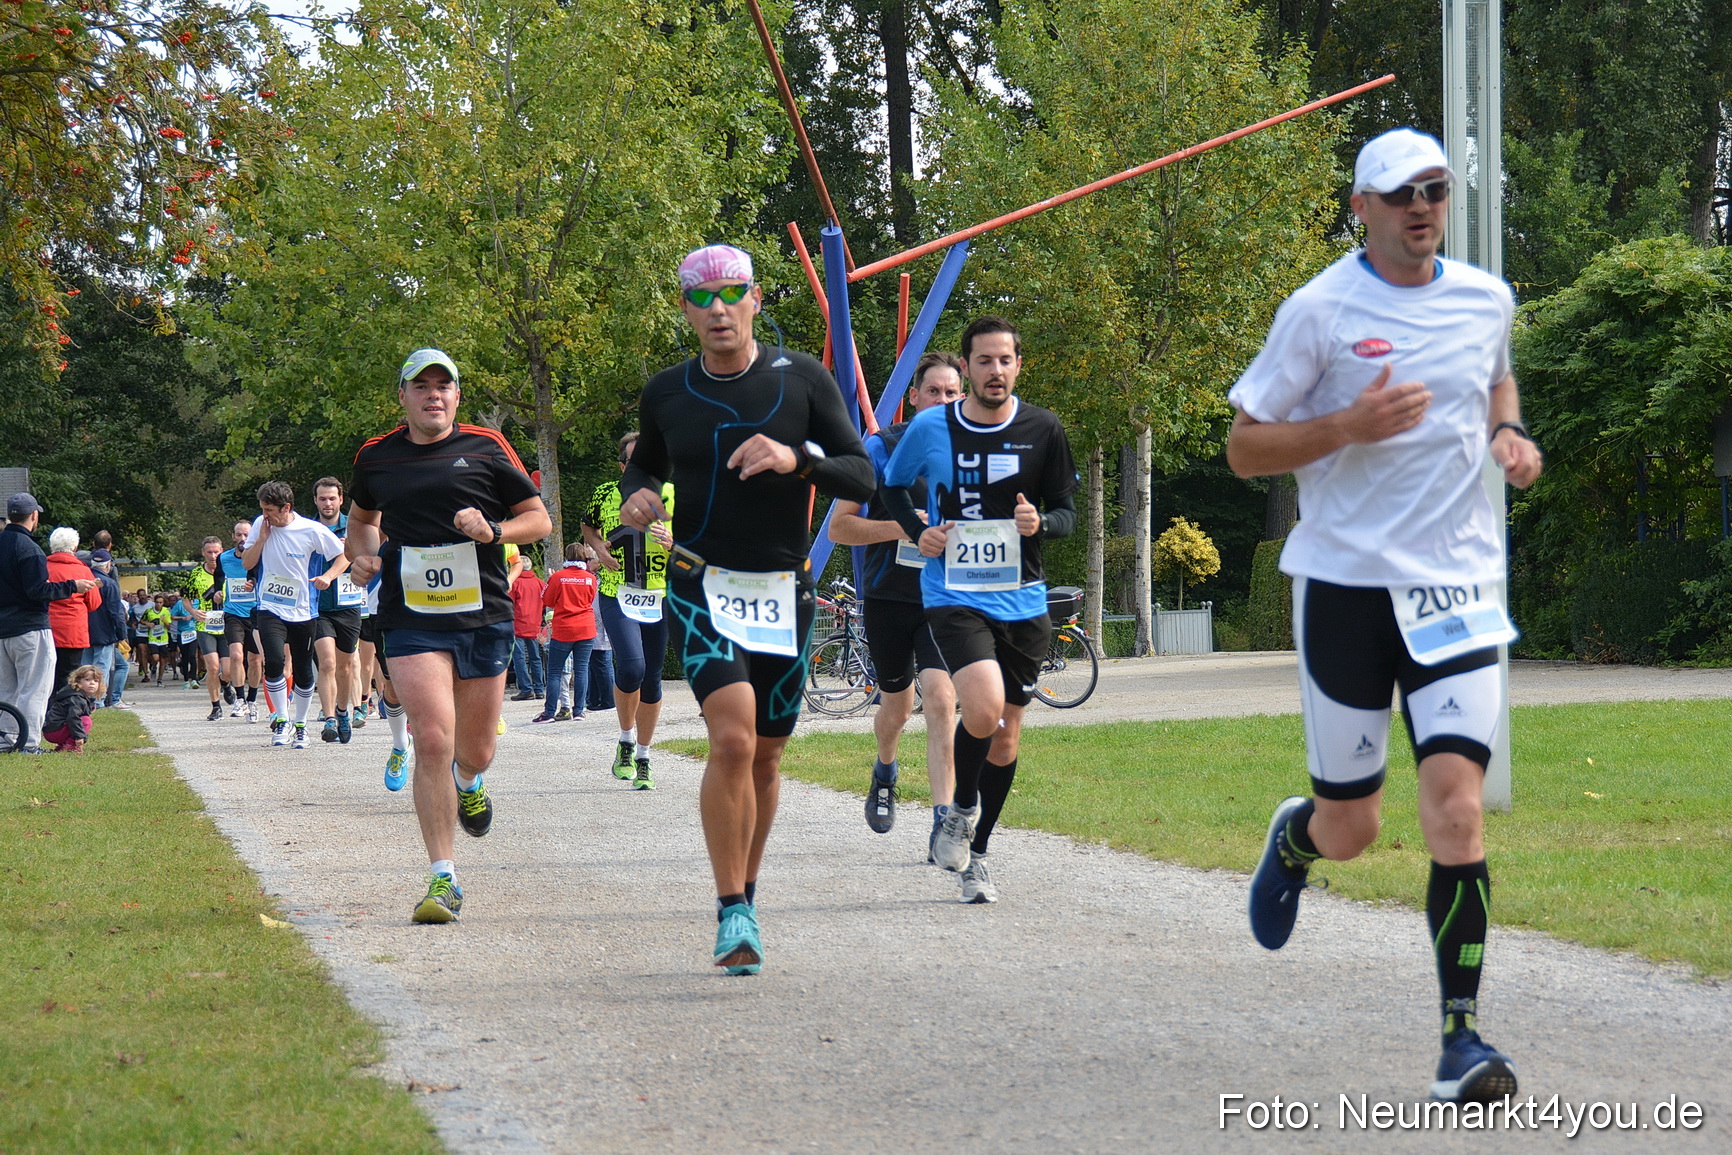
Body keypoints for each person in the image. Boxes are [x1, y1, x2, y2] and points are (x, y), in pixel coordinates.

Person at [1225, 128, 1544, 1104]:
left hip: (1457, 590)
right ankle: (1297, 840)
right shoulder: (1317, 313)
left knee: (1454, 810)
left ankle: (1461, 1041)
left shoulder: (1484, 298)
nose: (1420, 206)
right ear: (1360, 206)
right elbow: (1244, 448)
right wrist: (1344, 428)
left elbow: (1492, 373)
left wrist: (1507, 428)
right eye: (1399, 192)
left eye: (1435, 190)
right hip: (1347, 588)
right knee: (1353, 828)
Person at [620, 243, 875, 974]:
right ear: (685, 310)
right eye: (702, 298)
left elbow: (860, 468)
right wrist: (639, 491)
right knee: (731, 739)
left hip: (783, 589)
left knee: (766, 754)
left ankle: (749, 895)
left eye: (732, 293)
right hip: (701, 583)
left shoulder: (803, 379)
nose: (719, 308)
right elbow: (647, 464)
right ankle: (730, 905)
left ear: (757, 298)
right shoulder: (667, 392)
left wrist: (799, 460)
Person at [346, 347, 550, 924]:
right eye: (422, 386)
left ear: (457, 396)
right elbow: (361, 523)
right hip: (410, 616)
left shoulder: (486, 447)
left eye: (445, 386)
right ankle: (443, 879)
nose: (434, 394)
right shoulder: (377, 457)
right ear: (403, 396)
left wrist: (493, 529)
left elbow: (539, 520)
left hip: (483, 615)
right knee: (431, 740)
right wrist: (362, 557)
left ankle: (470, 780)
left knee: (474, 748)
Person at [880, 316, 1078, 906]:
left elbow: (1066, 511)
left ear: (1019, 365)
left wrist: (1041, 522)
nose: (996, 371)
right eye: (984, 361)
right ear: (965, 367)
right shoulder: (930, 425)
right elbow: (893, 485)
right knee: (984, 707)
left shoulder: (1044, 429)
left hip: (1022, 598)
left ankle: (979, 854)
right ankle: (961, 806)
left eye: (1005, 360)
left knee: (1007, 737)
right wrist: (920, 530)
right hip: (954, 593)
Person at [827, 350, 964, 857]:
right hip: (888, 596)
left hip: (943, 596)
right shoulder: (880, 447)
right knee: (897, 706)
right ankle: (885, 770)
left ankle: (943, 821)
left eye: (953, 393)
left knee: (942, 699)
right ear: (914, 396)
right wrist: (909, 527)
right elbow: (840, 526)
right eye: (934, 391)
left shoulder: (972, 451)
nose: (944, 401)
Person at [583, 431, 674, 785]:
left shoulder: (674, 495)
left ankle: (644, 756)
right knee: (632, 666)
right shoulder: (605, 494)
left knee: (651, 679)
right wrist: (599, 550)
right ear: (623, 466)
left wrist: (674, 543)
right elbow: (588, 526)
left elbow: (698, 544)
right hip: (617, 591)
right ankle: (624, 738)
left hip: (659, 596)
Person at [241, 481, 346, 749]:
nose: (266, 515)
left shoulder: (311, 530)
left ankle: (301, 725)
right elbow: (247, 563)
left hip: (303, 610)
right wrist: (262, 538)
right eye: (262, 509)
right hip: (270, 606)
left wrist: (328, 576)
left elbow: (344, 555)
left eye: (270, 510)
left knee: (303, 669)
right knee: (274, 661)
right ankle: (282, 720)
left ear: (286, 507)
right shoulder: (260, 525)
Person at [0, 494, 99, 752]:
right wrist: (72, 586)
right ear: (34, 516)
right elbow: (37, 591)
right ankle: (29, 743)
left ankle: (7, 738)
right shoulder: (30, 549)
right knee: (35, 688)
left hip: (2, 629)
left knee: (6, 689)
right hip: (29, 628)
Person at [310, 477, 364, 743]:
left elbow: (370, 555)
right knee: (327, 662)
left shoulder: (355, 526)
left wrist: (352, 549)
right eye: (322, 498)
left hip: (349, 604)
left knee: (344, 667)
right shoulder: (307, 529)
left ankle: (343, 711)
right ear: (316, 501)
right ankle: (329, 717)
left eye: (332, 498)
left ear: (341, 500)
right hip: (318, 605)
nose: (327, 503)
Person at [534, 542, 598, 727]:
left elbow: (547, 600)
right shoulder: (590, 578)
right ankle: (579, 711)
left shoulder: (559, 577)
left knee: (554, 671)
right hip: (586, 628)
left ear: (567, 557)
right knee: (582, 669)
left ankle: (549, 712)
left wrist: (552, 580)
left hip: (564, 628)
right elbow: (591, 598)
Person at [45, 527, 102, 687]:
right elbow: (94, 603)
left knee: (45, 678)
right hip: (73, 633)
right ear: (75, 548)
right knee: (69, 678)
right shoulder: (83, 571)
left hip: (45, 630)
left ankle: (46, 711)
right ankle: (66, 710)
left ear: (51, 547)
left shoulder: (42, 568)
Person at [218, 520, 263, 720]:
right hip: (233, 613)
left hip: (256, 613)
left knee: (255, 660)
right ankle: (240, 699)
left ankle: (252, 700)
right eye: (239, 535)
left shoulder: (260, 556)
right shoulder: (224, 558)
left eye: (246, 535)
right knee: (236, 656)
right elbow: (217, 579)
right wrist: (216, 592)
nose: (242, 539)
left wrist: (253, 583)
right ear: (233, 537)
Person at [187, 536, 230, 718]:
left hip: (228, 624)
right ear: (203, 553)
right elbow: (185, 597)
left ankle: (226, 684)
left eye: (216, 552)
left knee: (227, 671)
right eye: (209, 552)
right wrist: (193, 611)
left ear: (222, 551)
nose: (213, 556)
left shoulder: (230, 570)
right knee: (212, 667)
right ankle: (216, 706)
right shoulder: (196, 573)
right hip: (205, 626)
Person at [85, 549, 128, 709]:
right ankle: (98, 701)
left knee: (85, 668)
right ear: (108, 565)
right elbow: (116, 612)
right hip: (105, 633)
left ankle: (85, 700)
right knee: (100, 669)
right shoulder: (109, 584)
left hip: (85, 632)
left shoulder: (83, 580)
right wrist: (121, 633)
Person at [508, 553, 546, 703]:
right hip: (535, 624)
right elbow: (546, 600)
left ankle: (525, 689)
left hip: (517, 624)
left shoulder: (515, 583)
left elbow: (509, 604)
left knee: (519, 658)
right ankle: (539, 689)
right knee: (536, 658)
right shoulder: (539, 583)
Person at [43, 663, 104, 752]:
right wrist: (79, 737)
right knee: (86, 721)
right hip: (54, 731)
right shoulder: (76, 698)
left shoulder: (78, 696)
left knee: (82, 720)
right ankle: (71, 748)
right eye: (87, 680)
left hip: (52, 729)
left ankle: (61, 747)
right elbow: (73, 718)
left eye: (96, 681)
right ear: (78, 681)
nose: (92, 683)